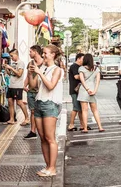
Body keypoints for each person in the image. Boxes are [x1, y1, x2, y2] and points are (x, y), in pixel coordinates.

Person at [32, 44, 63, 177]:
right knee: (43, 138)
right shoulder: (43, 68)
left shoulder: (57, 70)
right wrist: (32, 72)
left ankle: (52, 168)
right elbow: (34, 86)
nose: (43, 55)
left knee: (50, 138)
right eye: (43, 53)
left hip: (50, 104)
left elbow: (50, 86)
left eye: (45, 53)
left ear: (53, 55)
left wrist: (39, 73)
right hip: (39, 102)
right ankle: (47, 166)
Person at [77, 54, 105, 133]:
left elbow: (82, 80)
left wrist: (87, 89)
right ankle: (100, 127)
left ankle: (85, 128)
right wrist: (95, 90)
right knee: (95, 110)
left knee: (84, 111)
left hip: (84, 91)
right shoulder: (96, 69)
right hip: (92, 90)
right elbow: (98, 81)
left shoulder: (81, 68)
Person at [3, 49, 29, 126]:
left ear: (16, 54)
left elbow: (19, 74)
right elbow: (10, 73)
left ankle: (27, 117)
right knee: (10, 102)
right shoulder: (13, 63)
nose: (11, 58)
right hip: (11, 85)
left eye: (12, 56)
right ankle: (12, 119)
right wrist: (6, 68)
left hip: (17, 86)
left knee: (19, 102)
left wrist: (11, 68)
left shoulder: (20, 63)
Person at [24, 45, 44, 140]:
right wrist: (24, 86)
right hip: (31, 92)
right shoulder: (30, 63)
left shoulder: (44, 64)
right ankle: (33, 131)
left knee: (42, 111)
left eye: (31, 51)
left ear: (35, 52)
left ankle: (43, 131)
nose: (29, 53)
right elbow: (28, 76)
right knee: (32, 111)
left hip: (41, 92)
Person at [68, 53, 85, 131]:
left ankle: (82, 125)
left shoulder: (80, 67)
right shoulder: (74, 66)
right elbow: (76, 76)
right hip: (75, 90)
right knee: (75, 108)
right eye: (82, 59)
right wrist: (85, 75)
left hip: (78, 90)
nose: (83, 61)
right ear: (78, 59)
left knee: (80, 109)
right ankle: (71, 124)